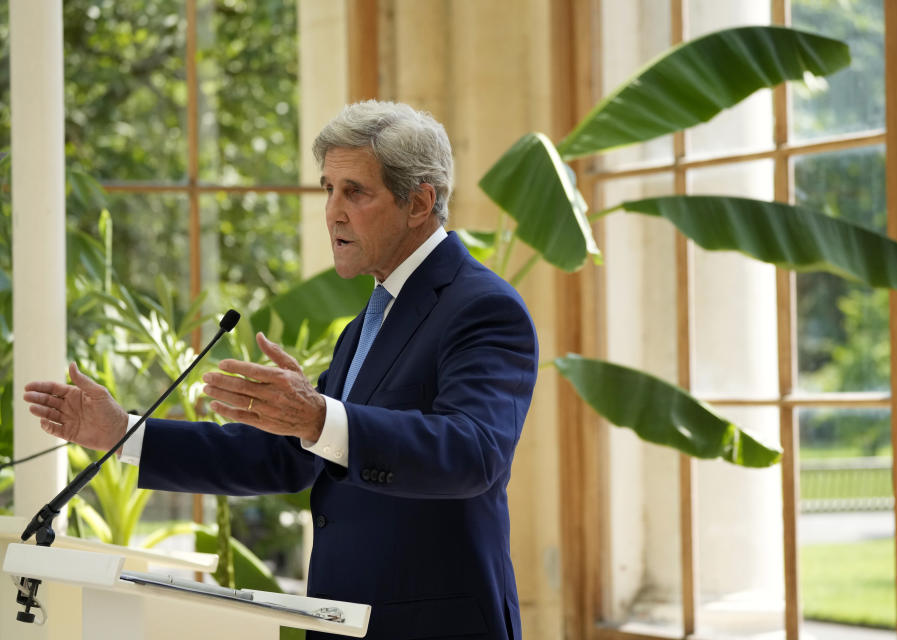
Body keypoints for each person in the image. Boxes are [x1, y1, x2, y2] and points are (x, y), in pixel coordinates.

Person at [23, 100, 538, 640]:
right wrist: (122, 434)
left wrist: (318, 418)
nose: (333, 211)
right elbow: (288, 457)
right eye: (328, 189)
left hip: (436, 625)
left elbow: (473, 452)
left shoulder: (482, 307)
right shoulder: (373, 315)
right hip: (345, 623)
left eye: (354, 191)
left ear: (419, 203)